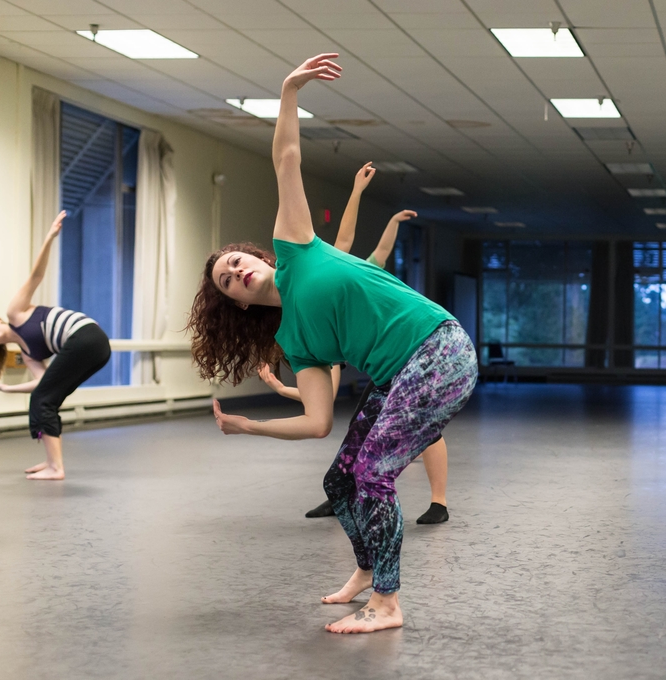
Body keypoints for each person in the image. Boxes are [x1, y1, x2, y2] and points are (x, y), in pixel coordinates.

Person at [185, 53, 477, 634]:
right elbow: (317, 421)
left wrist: (289, 91)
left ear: (258, 257)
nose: (236, 271)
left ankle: (388, 606)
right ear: (237, 304)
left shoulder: (295, 248)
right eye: (226, 279)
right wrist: (250, 426)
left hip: (441, 348)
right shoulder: (295, 339)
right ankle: (367, 572)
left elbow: (286, 159)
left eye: (237, 260)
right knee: (341, 478)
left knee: (373, 472)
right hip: (401, 374)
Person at [288, 162, 450, 524]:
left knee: (426, 428)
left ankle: (438, 501)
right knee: (359, 426)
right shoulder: (332, 278)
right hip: (373, 364)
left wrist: (385, 217)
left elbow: (370, 247)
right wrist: (357, 192)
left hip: (411, 350)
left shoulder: (367, 270)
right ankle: (341, 493)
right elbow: (342, 241)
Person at [0, 210, 112, 481]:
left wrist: (49, 238)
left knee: (43, 399)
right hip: (95, 349)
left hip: (86, 337)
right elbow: (43, 382)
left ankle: (56, 468)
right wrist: (6, 388)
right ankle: (52, 462)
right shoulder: (29, 354)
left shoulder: (15, 313)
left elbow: (36, 276)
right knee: (47, 398)